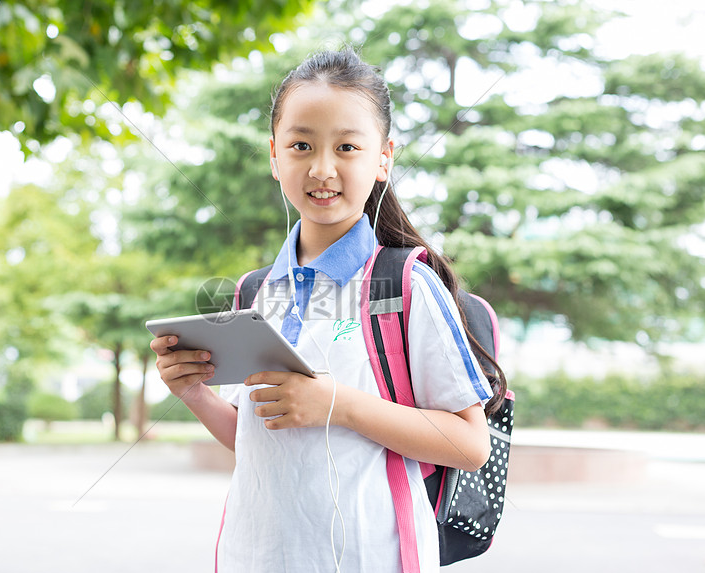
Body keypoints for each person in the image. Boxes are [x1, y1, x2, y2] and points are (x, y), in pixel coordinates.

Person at [150, 47, 505, 572]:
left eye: (346, 147)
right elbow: (255, 434)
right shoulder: (256, 291)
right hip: (256, 557)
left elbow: (471, 443)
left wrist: (336, 403)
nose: (322, 168)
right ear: (275, 156)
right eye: (301, 145)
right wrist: (194, 394)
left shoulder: (405, 285)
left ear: (383, 157)